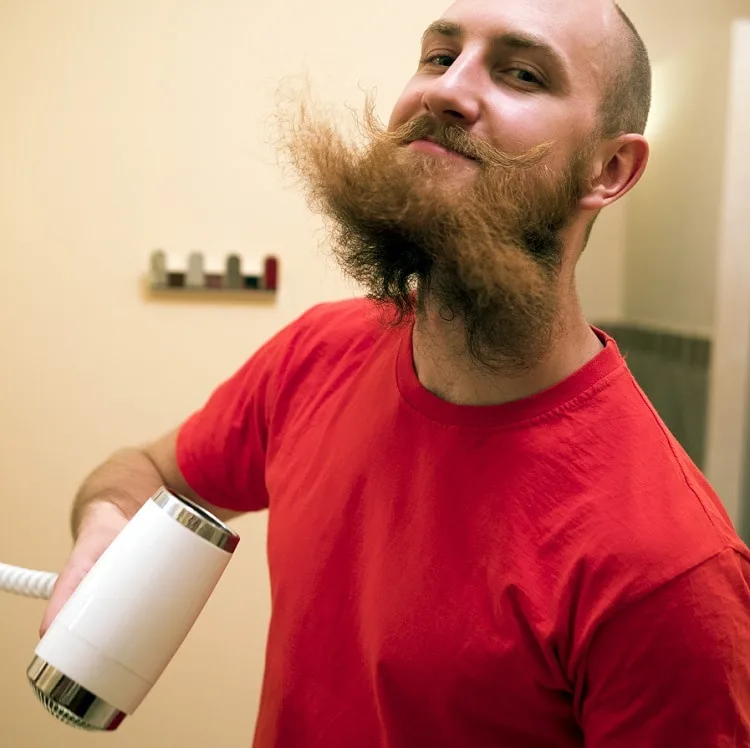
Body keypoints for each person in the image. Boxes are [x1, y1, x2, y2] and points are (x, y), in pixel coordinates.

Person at [42, 0, 750, 745]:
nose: (445, 90)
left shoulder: (673, 570)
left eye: (521, 73)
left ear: (610, 169)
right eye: (439, 57)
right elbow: (144, 469)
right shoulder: (316, 355)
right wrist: (105, 525)